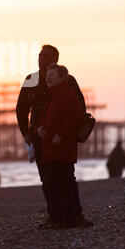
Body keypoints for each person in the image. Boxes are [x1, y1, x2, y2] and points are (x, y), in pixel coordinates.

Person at [16, 44, 90, 226]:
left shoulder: (66, 79)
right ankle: (55, 215)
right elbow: (21, 108)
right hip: (38, 136)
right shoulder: (31, 79)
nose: (41, 58)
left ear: (55, 60)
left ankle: (74, 215)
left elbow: (79, 106)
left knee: (67, 177)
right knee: (46, 179)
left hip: (61, 138)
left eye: (46, 56)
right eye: (40, 55)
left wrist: (66, 132)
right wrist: (26, 133)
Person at [36, 64, 91, 229]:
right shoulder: (53, 97)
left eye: (52, 75)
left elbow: (73, 118)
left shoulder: (66, 95)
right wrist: (39, 129)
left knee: (52, 182)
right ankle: (69, 219)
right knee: (63, 183)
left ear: (62, 78)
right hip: (52, 149)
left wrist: (60, 135)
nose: (48, 77)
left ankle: (59, 219)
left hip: (61, 149)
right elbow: (47, 120)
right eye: (47, 75)